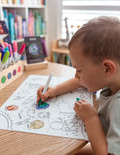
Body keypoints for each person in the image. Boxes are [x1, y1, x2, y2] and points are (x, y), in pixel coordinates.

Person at [37, 16, 120, 155]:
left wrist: (91, 119)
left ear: (107, 68)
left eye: (79, 70)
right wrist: (55, 90)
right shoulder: (112, 78)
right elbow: (80, 81)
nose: (76, 76)